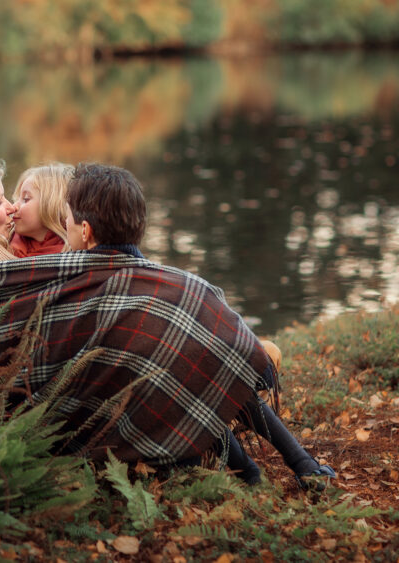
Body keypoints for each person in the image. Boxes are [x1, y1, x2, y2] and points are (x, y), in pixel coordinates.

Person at [65, 162, 334, 489]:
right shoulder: (187, 286)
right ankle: (297, 466)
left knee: (195, 369)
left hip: (128, 443)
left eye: (67, 217)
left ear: (85, 231)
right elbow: (247, 362)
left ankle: (261, 473)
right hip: (183, 435)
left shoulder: (76, 290)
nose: (63, 224)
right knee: (208, 370)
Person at [9, 163, 74, 258]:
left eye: (26, 199)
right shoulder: (3, 244)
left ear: (51, 205)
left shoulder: (72, 254)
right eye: (16, 199)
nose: (14, 206)